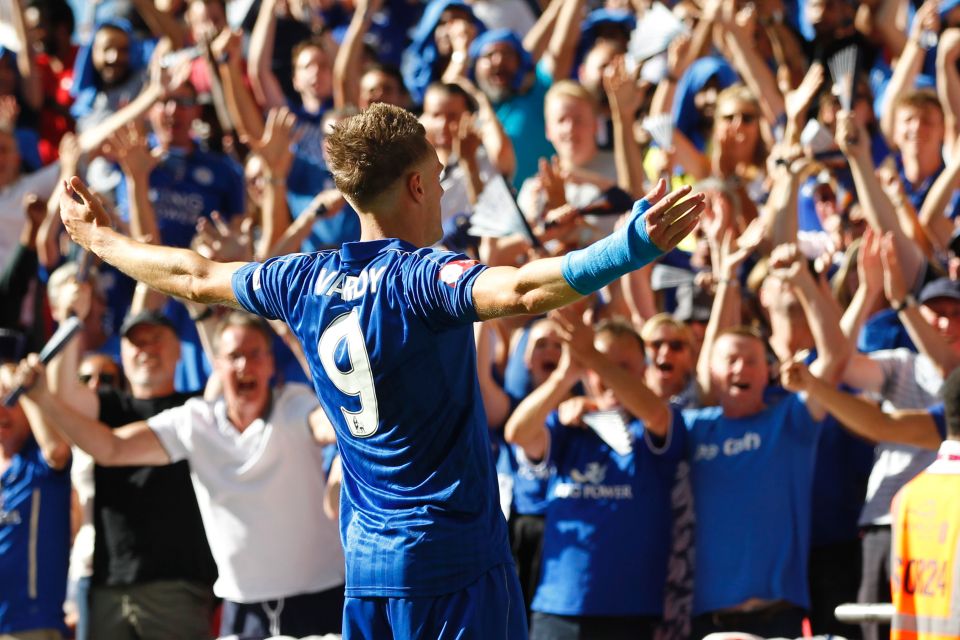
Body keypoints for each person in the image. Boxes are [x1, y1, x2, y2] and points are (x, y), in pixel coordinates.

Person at [57, 102, 703, 637]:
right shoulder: (422, 278)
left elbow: (193, 276)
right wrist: (628, 246)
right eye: (441, 177)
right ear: (417, 186)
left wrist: (99, 239)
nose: (445, 194)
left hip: (367, 575)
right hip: (455, 567)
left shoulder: (303, 278)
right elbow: (527, 291)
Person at [18, 312, 346, 639]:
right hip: (243, 610)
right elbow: (111, 449)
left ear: (271, 364)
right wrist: (43, 400)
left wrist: (294, 338)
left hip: (320, 599)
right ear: (216, 365)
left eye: (255, 354)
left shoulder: (296, 405)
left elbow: (336, 424)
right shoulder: (195, 420)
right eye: (234, 356)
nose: (245, 365)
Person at [0, 359, 72, 640]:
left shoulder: (39, 464)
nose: (3, 409)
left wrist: (27, 390)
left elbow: (56, 451)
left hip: (29, 626)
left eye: (11, 399)